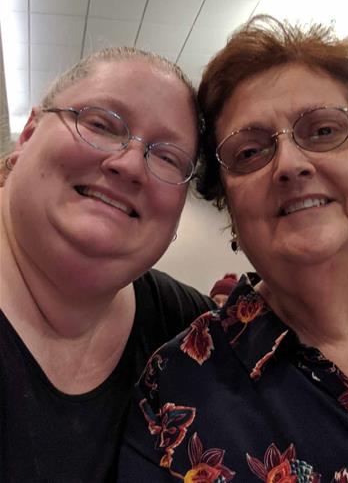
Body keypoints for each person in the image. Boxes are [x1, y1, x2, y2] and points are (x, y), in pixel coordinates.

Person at [118, 16, 348, 481]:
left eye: (324, 131)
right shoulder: (169, 398)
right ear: (230, 207)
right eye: (250, 152)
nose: (289, 164)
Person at [0, 46, 216, 482]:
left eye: (168, 157)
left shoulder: (188, 330)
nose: (130, 165)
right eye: (100, 124)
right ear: (29, 134)